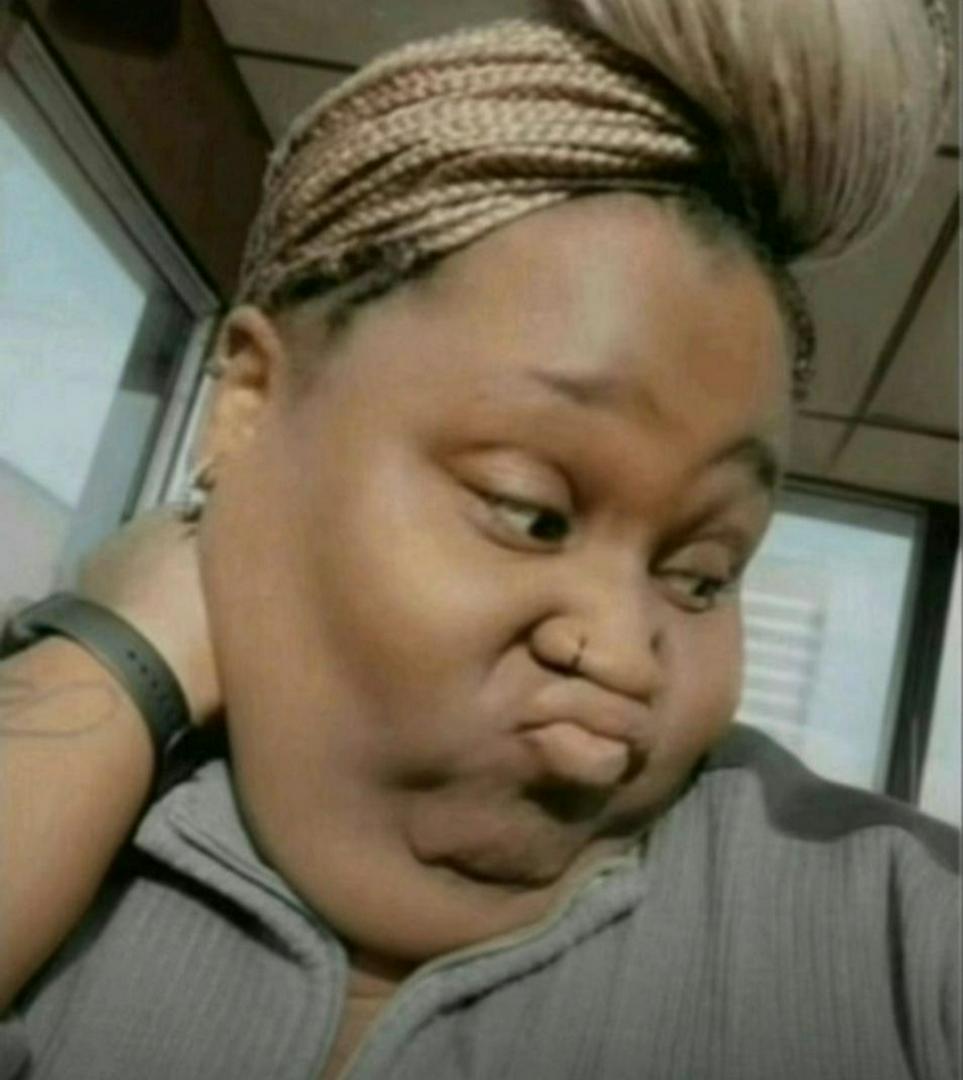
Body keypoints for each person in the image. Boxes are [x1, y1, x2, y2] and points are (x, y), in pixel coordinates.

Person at [0, 1, 958, 1077]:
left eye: (701, 577)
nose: (620, 667)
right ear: (249, 404)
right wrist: (125, 656)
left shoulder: (898, 945)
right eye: (529, 511)